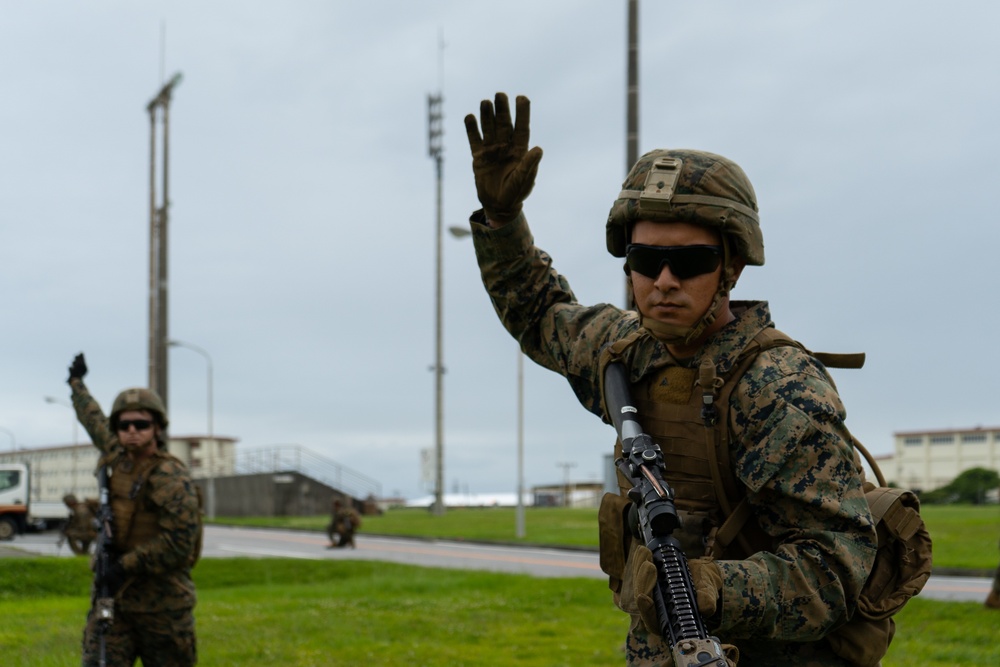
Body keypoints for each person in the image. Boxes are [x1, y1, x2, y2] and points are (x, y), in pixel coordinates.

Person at [463, 93, 878, 666]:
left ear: (731, 266)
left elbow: (835, 567)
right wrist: (505, 222)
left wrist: (710, 588)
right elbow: (539, 313)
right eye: (644, 259)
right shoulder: (626, 352)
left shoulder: (779, 389)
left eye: (688, 263)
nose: (663, 281)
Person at [66, 352, 200, 666]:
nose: (132, 431)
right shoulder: (118, 458)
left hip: (162, 606)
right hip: (115, 603)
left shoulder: (170, 477)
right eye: (124, 424)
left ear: (157, 428)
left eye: (141, 424)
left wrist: (123, 566)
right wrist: (76, 385)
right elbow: (94, 420)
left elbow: (179, 544)